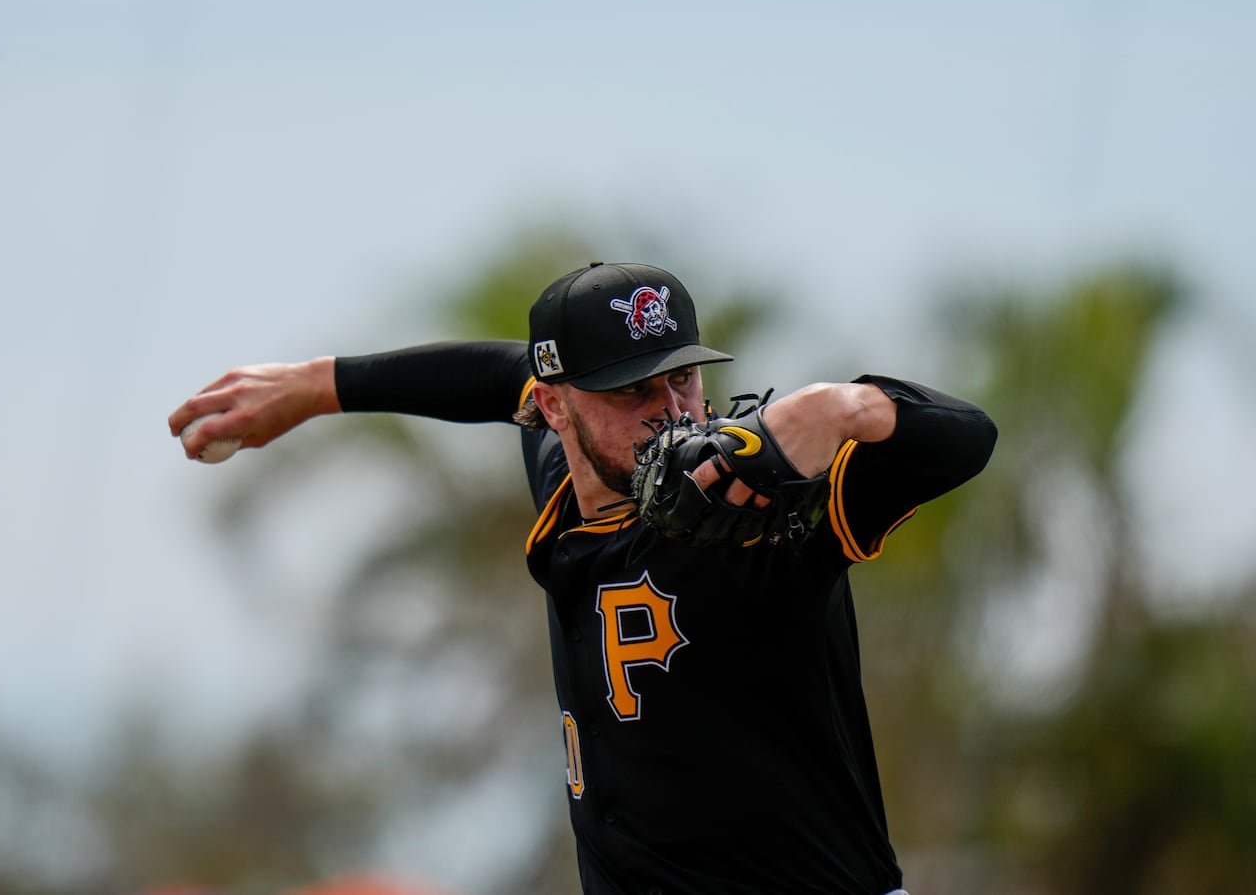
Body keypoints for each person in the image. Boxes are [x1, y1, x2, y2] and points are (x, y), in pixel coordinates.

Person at [169, 261, 997, 895]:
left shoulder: (765, 503)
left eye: (681, 376)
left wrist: (848, 408)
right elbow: (496, 376)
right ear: (555, 406)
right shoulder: (567, 488)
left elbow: (966, 437)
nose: (670, 409)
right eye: (631, 389)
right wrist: (317, 387)